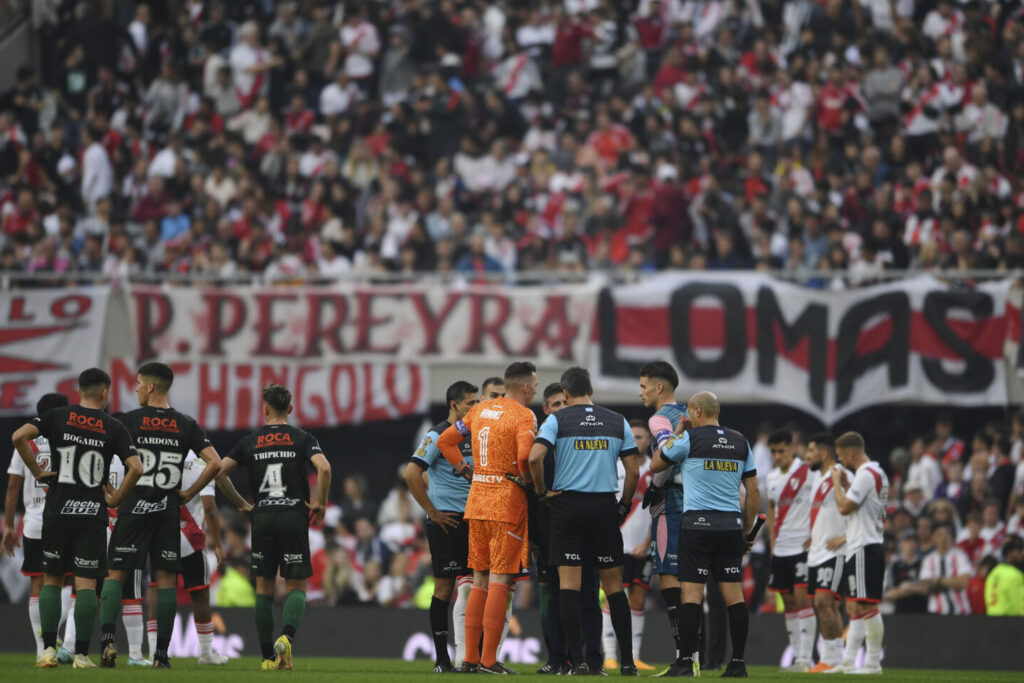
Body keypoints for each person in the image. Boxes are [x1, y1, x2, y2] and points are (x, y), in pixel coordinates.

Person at [11, 368, 143, 668]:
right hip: (91, 513)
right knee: (85, 585)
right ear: (104, 392)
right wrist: (116, 498)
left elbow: (18, 436)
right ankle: (81, 655)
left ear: (79, 390)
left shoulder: (57, 416)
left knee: (52, 580)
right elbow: (136, 467)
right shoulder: (114, 426)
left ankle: (47, 650)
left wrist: (37, 471)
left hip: (57, 509)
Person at [99, 363, 222, 669]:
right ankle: (161, 656)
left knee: (116, 575)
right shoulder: (186, 424)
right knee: (165, 581)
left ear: (151, 387)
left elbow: (101, 456)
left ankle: (107, 644)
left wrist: (112, 492)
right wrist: (190, 492)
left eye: (139, 383)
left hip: (133, 508)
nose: (137, 388)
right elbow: (215, 463)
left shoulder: (129, 421)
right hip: (167, 511)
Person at [528, 366, 639, 677]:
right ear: (592, 389)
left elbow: (535, 458)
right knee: (614, 588)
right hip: (604, 507)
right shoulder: (617, 421)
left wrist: (541, 492)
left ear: (565, 393)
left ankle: (577, 662)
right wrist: (624, 505)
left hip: (567, 507)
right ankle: (627, 663)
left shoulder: (556, 419)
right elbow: (633, 471)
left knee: (569, 586)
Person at [216, 384, 329, 670]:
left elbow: (219, 472)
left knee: (264, 588)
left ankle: (267, 657)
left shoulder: (250, 440)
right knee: (296, 586)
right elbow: (325, 468)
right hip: (293, 514)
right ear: (290, 409)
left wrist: (242, 504)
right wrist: (321, 503)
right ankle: (287, 639)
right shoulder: (301, 438)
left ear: (265, 408)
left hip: (263, 517)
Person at [436, 362, 538, 674]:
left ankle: (468, 658)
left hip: (477, 501)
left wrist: (466, 470)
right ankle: (490, 660)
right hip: (506, 503)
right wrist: (528, 482)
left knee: (478, 578)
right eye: (534, 386)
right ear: (524, 387)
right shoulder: (524, 415)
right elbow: (524, 457)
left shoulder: (479, 411)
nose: (535, 390)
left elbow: (445, 441)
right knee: (500, 579)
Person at [652, 391, 759, 678]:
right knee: (734, 597)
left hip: (696, 526)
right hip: (729, 527)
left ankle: (686, 662)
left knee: (691, 596)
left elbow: (655, 465)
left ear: (698, 411)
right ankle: (737, 664)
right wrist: (747, 529)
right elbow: (753, 491)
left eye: (688, 412)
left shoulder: (690, 439)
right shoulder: (740, 441)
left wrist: (675, 432)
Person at [402, 380, 479, 672]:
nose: (476, 407)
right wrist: (432, 512)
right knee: (444, 589)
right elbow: (411, 474)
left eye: (477, 402)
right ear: (454, 405)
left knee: (476, 589)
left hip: (476, 519)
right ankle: (441, 659)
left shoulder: (475, 434)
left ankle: (473, 656)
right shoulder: (436, 435)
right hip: (447, 520)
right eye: (470, 403)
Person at [2, 393, 72, 659]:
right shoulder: (70, 438)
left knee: (37, 584)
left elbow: (12, 486)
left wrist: (9, 526)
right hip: (65, 517)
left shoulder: (26, 440)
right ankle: (58, 639)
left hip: (34, 521)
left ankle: (42, 649)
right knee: (67, 582)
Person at [636, 360, 692, 676]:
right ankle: (692, 656)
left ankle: (684, 658)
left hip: (672, 502)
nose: (640, 392)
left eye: (643, 386)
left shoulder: (659, 419)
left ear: (659, 387)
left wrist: (655, 487)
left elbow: (666, 458)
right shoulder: (690, 414)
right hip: (698, 503)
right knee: (694, 581)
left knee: (669, 578)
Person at [155, 450, 229, 665]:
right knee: (200, 594)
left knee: (159, 590)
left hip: (163, 532)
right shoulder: (203, 463)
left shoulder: (165, 455)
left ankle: (155, 651)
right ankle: (205, 653)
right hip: (191, 536)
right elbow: (209, 506)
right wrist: (218, 544)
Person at [832, 431, 890, 674]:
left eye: (840, 456)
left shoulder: (866, 475)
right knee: (855, 607)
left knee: (866, 606)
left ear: (850, 453)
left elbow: (845, 507)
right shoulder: (874, 474)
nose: (840, 461)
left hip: (866, 545)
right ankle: (848, 662)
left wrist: (836, 485)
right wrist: (848, 484)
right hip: (861, 544)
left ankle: (873, 663)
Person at [602, 419, 655, 672]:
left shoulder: (656, 471)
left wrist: (648, 542)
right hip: (617, 542)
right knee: (613, 597)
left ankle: (633, 655)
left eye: (641, 437)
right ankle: (610, 655)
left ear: (649, 441)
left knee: (638, 599)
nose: (636, 441)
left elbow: (657, 512)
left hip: (643, 546)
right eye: (632, 436)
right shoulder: (616, 466)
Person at [765, 429, 816, 671]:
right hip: (781, 549)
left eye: (781, 451)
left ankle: (807, 658)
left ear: (792, 448)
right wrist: (773, 543)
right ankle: (797, 656)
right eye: (773, 452)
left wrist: (816, 534)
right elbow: (773, 509)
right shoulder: (772, 477)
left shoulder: (807, 472)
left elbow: (821, 503)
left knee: (802, 599)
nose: (777, 456)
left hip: (802, 547)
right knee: (787, 601)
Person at [804, 433, 849, 672]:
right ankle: (830, 660)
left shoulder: (841, 475)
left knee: (825, 601)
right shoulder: (819, 479)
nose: (807, 456)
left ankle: (834, 658)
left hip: (835, 552)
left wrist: (846, 536)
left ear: (823, 454)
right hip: (817, 552)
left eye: (810, 451)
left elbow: (861, 506)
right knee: (822, 606)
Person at [919, 522, 972, 615]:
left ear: (950, 537)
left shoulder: (960, 556)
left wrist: (938, 580)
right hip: (936, 612)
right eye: (939, 535)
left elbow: (964, 582)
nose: (943, 538)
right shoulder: (928, 560)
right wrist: (953, 582)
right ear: (933, 538)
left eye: (946, 534)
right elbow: (925, 587)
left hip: (960, 611)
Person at [985, 535, 1024, 616]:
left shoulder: (993, 572)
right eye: (1019, 551)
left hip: (991, 618)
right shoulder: (1015, 574)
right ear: (1010, 553)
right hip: (1010, 620)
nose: (1021, 555)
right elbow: (1018, 604)